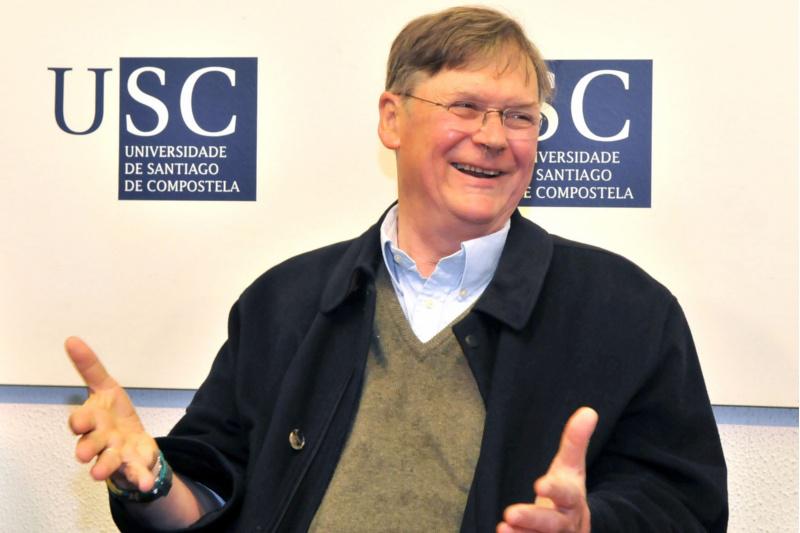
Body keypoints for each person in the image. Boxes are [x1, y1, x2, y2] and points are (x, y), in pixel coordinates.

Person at [67, 6, 727, 532]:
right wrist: (151, 480)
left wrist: (591, 525)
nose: (493, 137)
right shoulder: (285, 302)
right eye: (465, 107)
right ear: (392, 119)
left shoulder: (627, 312)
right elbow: (209, 492)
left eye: (520, 117)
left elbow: (685, 505)